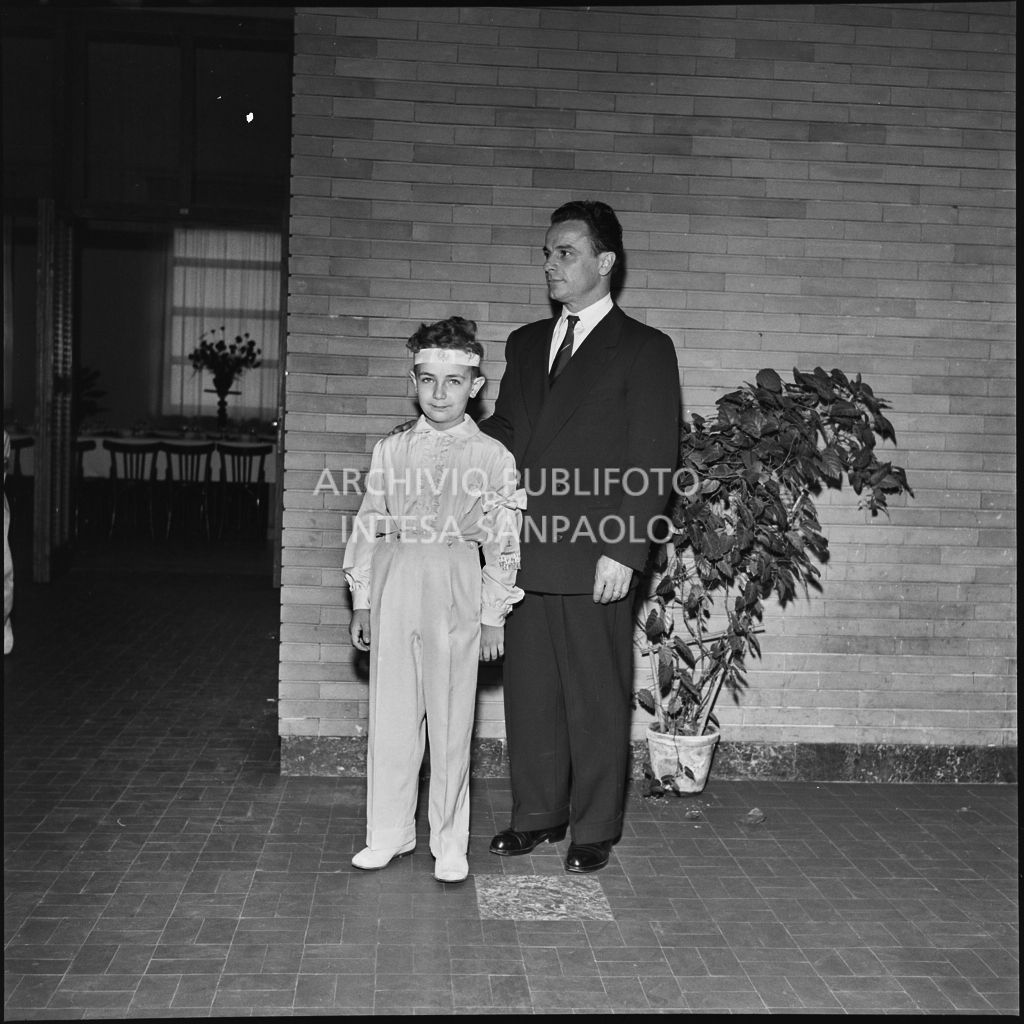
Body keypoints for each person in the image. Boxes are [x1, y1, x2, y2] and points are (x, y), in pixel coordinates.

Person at [480, 200, 680, 873]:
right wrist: (450, 442)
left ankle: (595, 824)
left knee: (596, 693)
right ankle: (536, 813)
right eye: (547, 253)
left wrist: (627, 548)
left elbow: (654, 456)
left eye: (565, 252)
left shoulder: (646, 349)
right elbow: (508, 431)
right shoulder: (525, 343)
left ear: (605, 261)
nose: (551, 264)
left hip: (597, 550)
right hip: (527, 547)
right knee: (531, 690)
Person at [343, 316, 524, 883]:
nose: (438, 394)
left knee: (451, 719)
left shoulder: (492, 456)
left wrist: (493, 615)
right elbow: (370, 523)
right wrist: (364, 600)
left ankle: (450, 842)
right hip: (397, 578)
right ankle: (389, 835)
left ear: (475, 385)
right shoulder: (392, 448)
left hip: (454, 582)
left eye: (452, 381)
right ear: (414, 381)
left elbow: (503, 540)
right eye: (426, 380)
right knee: (393, 715)